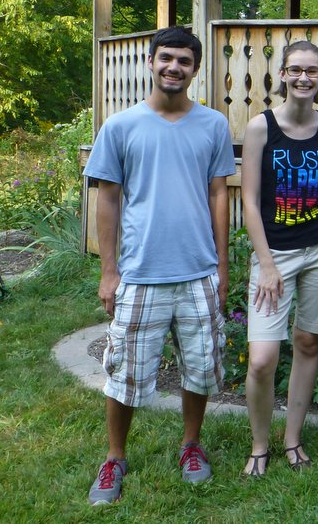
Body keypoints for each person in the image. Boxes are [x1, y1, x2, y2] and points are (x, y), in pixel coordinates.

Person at [84, 26, 237, 505]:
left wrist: (222, 266)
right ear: (150, 62)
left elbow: (218, 194)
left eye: (184, 61)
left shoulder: (213, 125)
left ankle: (191, 445)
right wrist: (109, 271)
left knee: (201, 368)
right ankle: (115, 457)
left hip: (197, 272)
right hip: (140, 273)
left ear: (195, 69)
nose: (174, 67)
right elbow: (108, 199)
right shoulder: (121, 126)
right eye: (166, 58)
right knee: (124, 373)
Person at [239, 41, 318, 476]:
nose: (303, 78)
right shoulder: (260, 128)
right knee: (262, 358)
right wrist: (265, 264)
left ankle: (292, 439)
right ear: (281, 74)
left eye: (312, 71)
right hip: (275, 253)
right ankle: (259, 444)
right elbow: (248, 200)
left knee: (308, 343)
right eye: (295, 70)